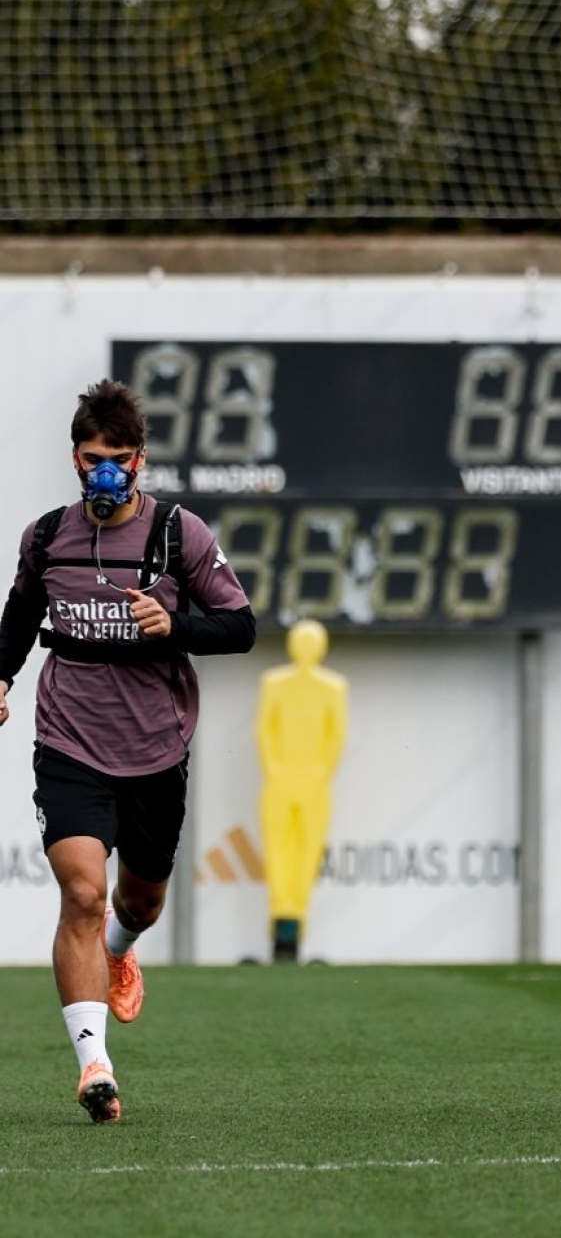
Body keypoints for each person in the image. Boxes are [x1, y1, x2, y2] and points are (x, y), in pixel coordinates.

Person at [0, 380, 256, 1124]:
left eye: (118, 458)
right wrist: (1, 675)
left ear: (140, 459)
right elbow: (20, 615)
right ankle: (95, 1067)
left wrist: (176, 626)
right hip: (69, 740)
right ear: (74, 458)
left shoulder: (180, 534)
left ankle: (121, 946)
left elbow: (240, 627)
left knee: (139, 900)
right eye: (92, 458)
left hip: (154, 747)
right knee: (81, 891)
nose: (104, 472)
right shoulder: (46, 537)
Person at [257, 618, 347, 963]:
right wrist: (274, 768)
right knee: (279, 855)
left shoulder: (333, 688)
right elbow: (265, 730)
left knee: (307, 857)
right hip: (281, 784)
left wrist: (322, 771)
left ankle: (295, 924)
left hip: (313, 785)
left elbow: (337, 735)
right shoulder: (274, 684)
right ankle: (282, 923)